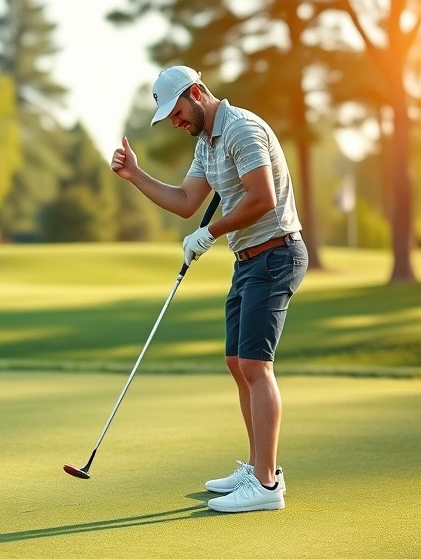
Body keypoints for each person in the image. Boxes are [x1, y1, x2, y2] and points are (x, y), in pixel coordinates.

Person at [110, 65, 307, 513]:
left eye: (177, 113)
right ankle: (257, 465)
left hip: (276, 254)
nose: (176, 123)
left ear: (196, 93)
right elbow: (185, 202)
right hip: (248, 261)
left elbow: (263, 199)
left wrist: (210, 232)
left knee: (256, 366)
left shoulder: (241, 130)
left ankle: (266, 484)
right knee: (238, 363)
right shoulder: (206, 144)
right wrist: (136, 176)